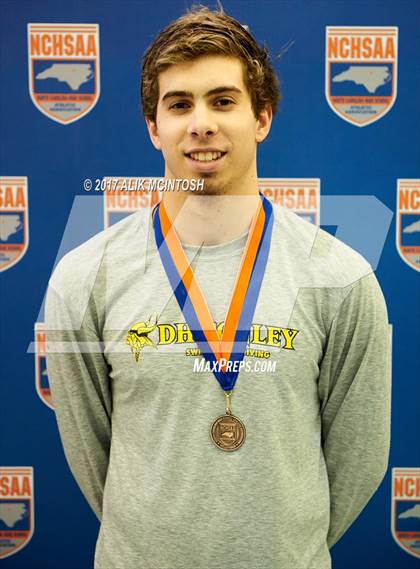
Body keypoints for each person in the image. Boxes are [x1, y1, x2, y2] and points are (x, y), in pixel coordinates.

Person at [45, 6, 391, 569]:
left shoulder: (341, 277)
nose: (200, 122)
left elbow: (360, 458)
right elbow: (91, 452)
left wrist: (282, 549)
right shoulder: (85, 276)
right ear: (154, 127)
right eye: (179, 104)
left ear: (263, 118)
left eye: (224, 101)